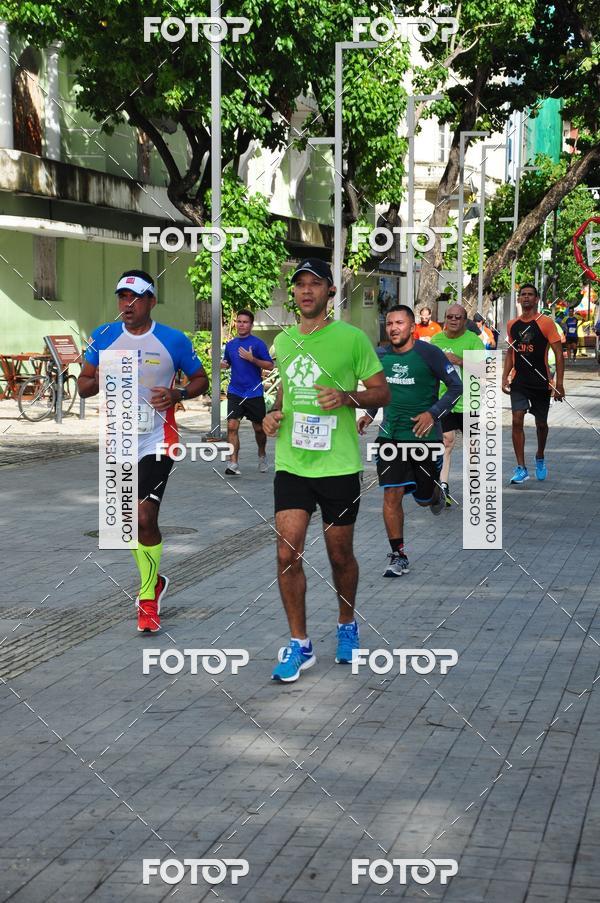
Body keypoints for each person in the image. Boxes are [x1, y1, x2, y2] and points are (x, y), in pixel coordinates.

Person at [262, 258, 390, 683]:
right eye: (299, 284)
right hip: (292, 464)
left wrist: (347, 397)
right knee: (287, 554)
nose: (305, 291)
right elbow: (284, 394)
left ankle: (347, 624)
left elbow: (381, 392)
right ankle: (299, 644)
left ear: (330, 292)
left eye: (314, 284)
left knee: (339, 556)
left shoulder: (352, 339)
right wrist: (271, 416)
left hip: (338, 466)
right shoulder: (283, 342)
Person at [78, 270, 208, 632]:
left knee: (144, 517)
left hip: (158, 440)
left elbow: (201, 380)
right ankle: (155, 581)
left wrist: (178, 393)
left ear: (151, 301)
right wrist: (101, 379)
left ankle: (147, 596)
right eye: (122, 297)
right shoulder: (104, 335)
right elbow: (83, 386)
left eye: (135, 298)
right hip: (118, 441)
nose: (127, 304)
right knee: (128, 524)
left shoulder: (173, 340)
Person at [358, 305, 462, 578]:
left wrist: (433, 413)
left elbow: (456, 387)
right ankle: (398, 554)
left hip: (424, 438)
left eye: (400, 323)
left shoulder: (430, 353)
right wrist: (369, 414)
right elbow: (378, 391)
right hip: (390, 436)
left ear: (412, 327)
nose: (393, 328)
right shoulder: (380, 355)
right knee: (391, 494)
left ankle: (436, 493)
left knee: (424, 500)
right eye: (390, 323)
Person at [503, 282, 565, 485]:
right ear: (519, 299)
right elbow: (511, 352)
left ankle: (540, 455)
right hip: (519, 381)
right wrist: (504, 377)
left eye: (530, 294)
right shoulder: (512, 324)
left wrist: (559, 384)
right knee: (517, 420)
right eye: (523, 294)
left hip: (541, 381)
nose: (526, 297)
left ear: (536, 299)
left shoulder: (546, 323)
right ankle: (521, 468)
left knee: (541, 424)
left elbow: (559, 354)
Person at [430, 305, 485, 507]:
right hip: (444, 401)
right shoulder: (436, 340)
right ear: (445, 318)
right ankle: (443, 486)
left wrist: (459, 361)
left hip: (468, 400)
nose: (453, 320)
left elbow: (482, 370)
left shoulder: (473, 341)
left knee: (472, 445)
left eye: (458, 317)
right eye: (450, 316)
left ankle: (474, 484)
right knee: (446, 441)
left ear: (464, 320)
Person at [221, 309, 274, 475]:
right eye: (239, 321)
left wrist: (252, 359)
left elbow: (270, 365)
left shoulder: (258, 344)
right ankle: (233, 463)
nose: (241, 325)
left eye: (245, 322)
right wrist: (224, 364)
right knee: (231, 426)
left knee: (259, 429)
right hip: (235, 392)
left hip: (254, 393)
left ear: (251, 325)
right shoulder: (230, 345)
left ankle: (262, 455)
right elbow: (227, 362)